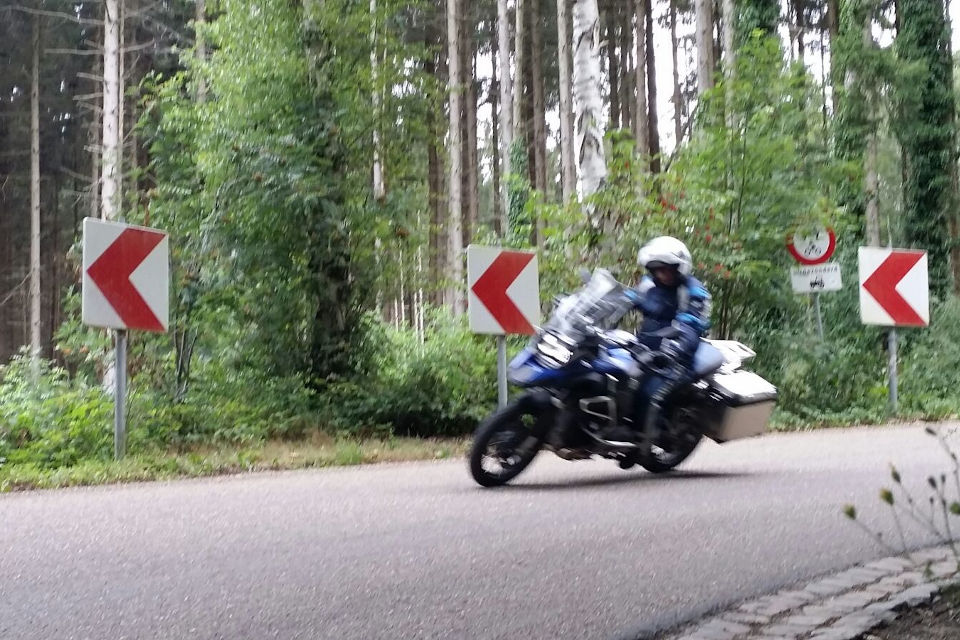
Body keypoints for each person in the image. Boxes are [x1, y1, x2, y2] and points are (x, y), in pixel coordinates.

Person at [602, 236, 712, 445]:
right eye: (657, 269)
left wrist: (674, 349)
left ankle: (650, 436)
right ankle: (616, 425)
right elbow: (624, 302)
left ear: (680, 267)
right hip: (645, 347)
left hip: (677, 356)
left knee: (650, 392)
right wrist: (598, 316)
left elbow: (691, 326)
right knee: (616, 375)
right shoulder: (648, 285)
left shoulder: (693, 291)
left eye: (668, 269)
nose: (663, 274)